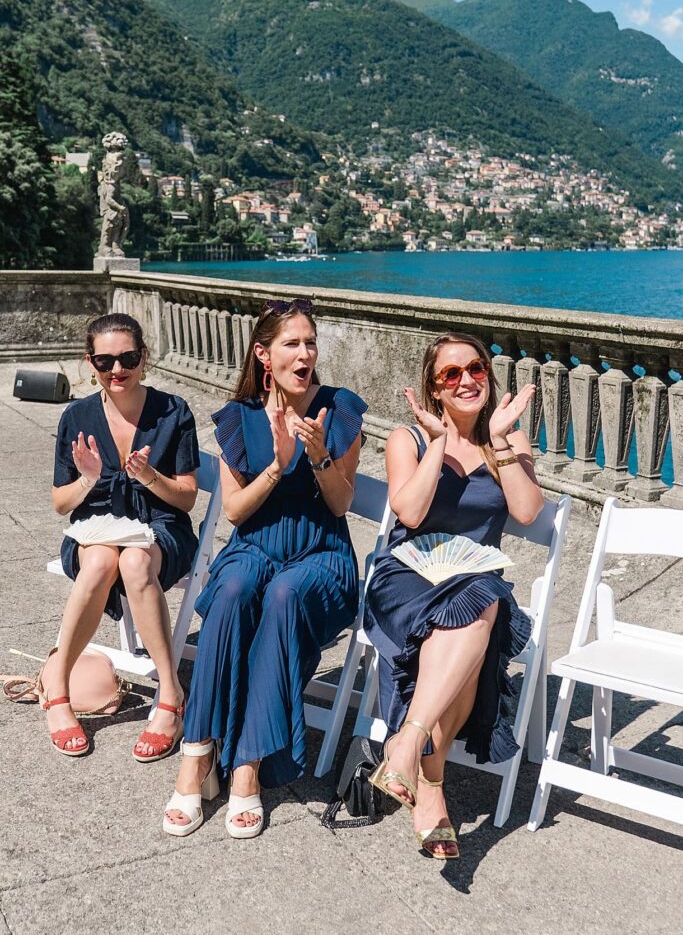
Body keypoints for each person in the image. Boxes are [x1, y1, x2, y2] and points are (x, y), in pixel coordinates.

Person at [163, 298, 367, 839]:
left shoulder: (339, 409)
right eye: (292, 343)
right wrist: (278, 465)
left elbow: (342, 504)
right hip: (254, 545)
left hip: (321, 552)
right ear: (264, 353)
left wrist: (318, 454)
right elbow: (233, 511)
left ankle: (248, 766)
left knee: (283, 595)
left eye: (310, 342)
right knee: (231, 591)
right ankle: (198, 752)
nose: (305, 353)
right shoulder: (240, 418)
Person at [364, 331, 544, 859]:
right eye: (451, 374)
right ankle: (430, 778)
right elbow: (411, 514)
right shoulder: (408, 439)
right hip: (407, 578)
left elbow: (529, 512)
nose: (466, 380)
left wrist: (502, 441)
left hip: (474, 581)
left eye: (476, 370)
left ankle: (409, 750)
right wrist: (440, 441)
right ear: (435, 387)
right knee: (476, 617)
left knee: (478, 604)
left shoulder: (508, 442)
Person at [48, 313, 200, 760]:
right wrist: (89, 479)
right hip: (96, 525)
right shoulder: (76, 415)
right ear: (90, 362)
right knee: (99, 560)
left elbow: (187, 498)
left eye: (128, 357)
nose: (118, 369)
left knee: (132, 560)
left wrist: (150, 476)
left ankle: (170, 694)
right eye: (105, 360)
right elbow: (61, 502)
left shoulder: (173, 411)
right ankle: (58, 686)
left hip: (159, 525)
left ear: (143, 358)